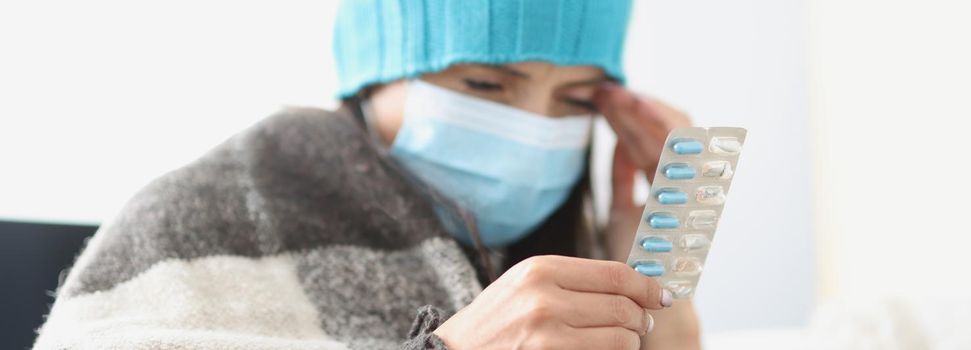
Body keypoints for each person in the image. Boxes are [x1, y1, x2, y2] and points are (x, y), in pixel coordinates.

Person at [34, 0, 701, 349]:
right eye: (485, 82)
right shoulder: (204, 209)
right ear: (372, 77)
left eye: (578, 100)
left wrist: (657, 285)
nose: (533, 124)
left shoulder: (570, 242)